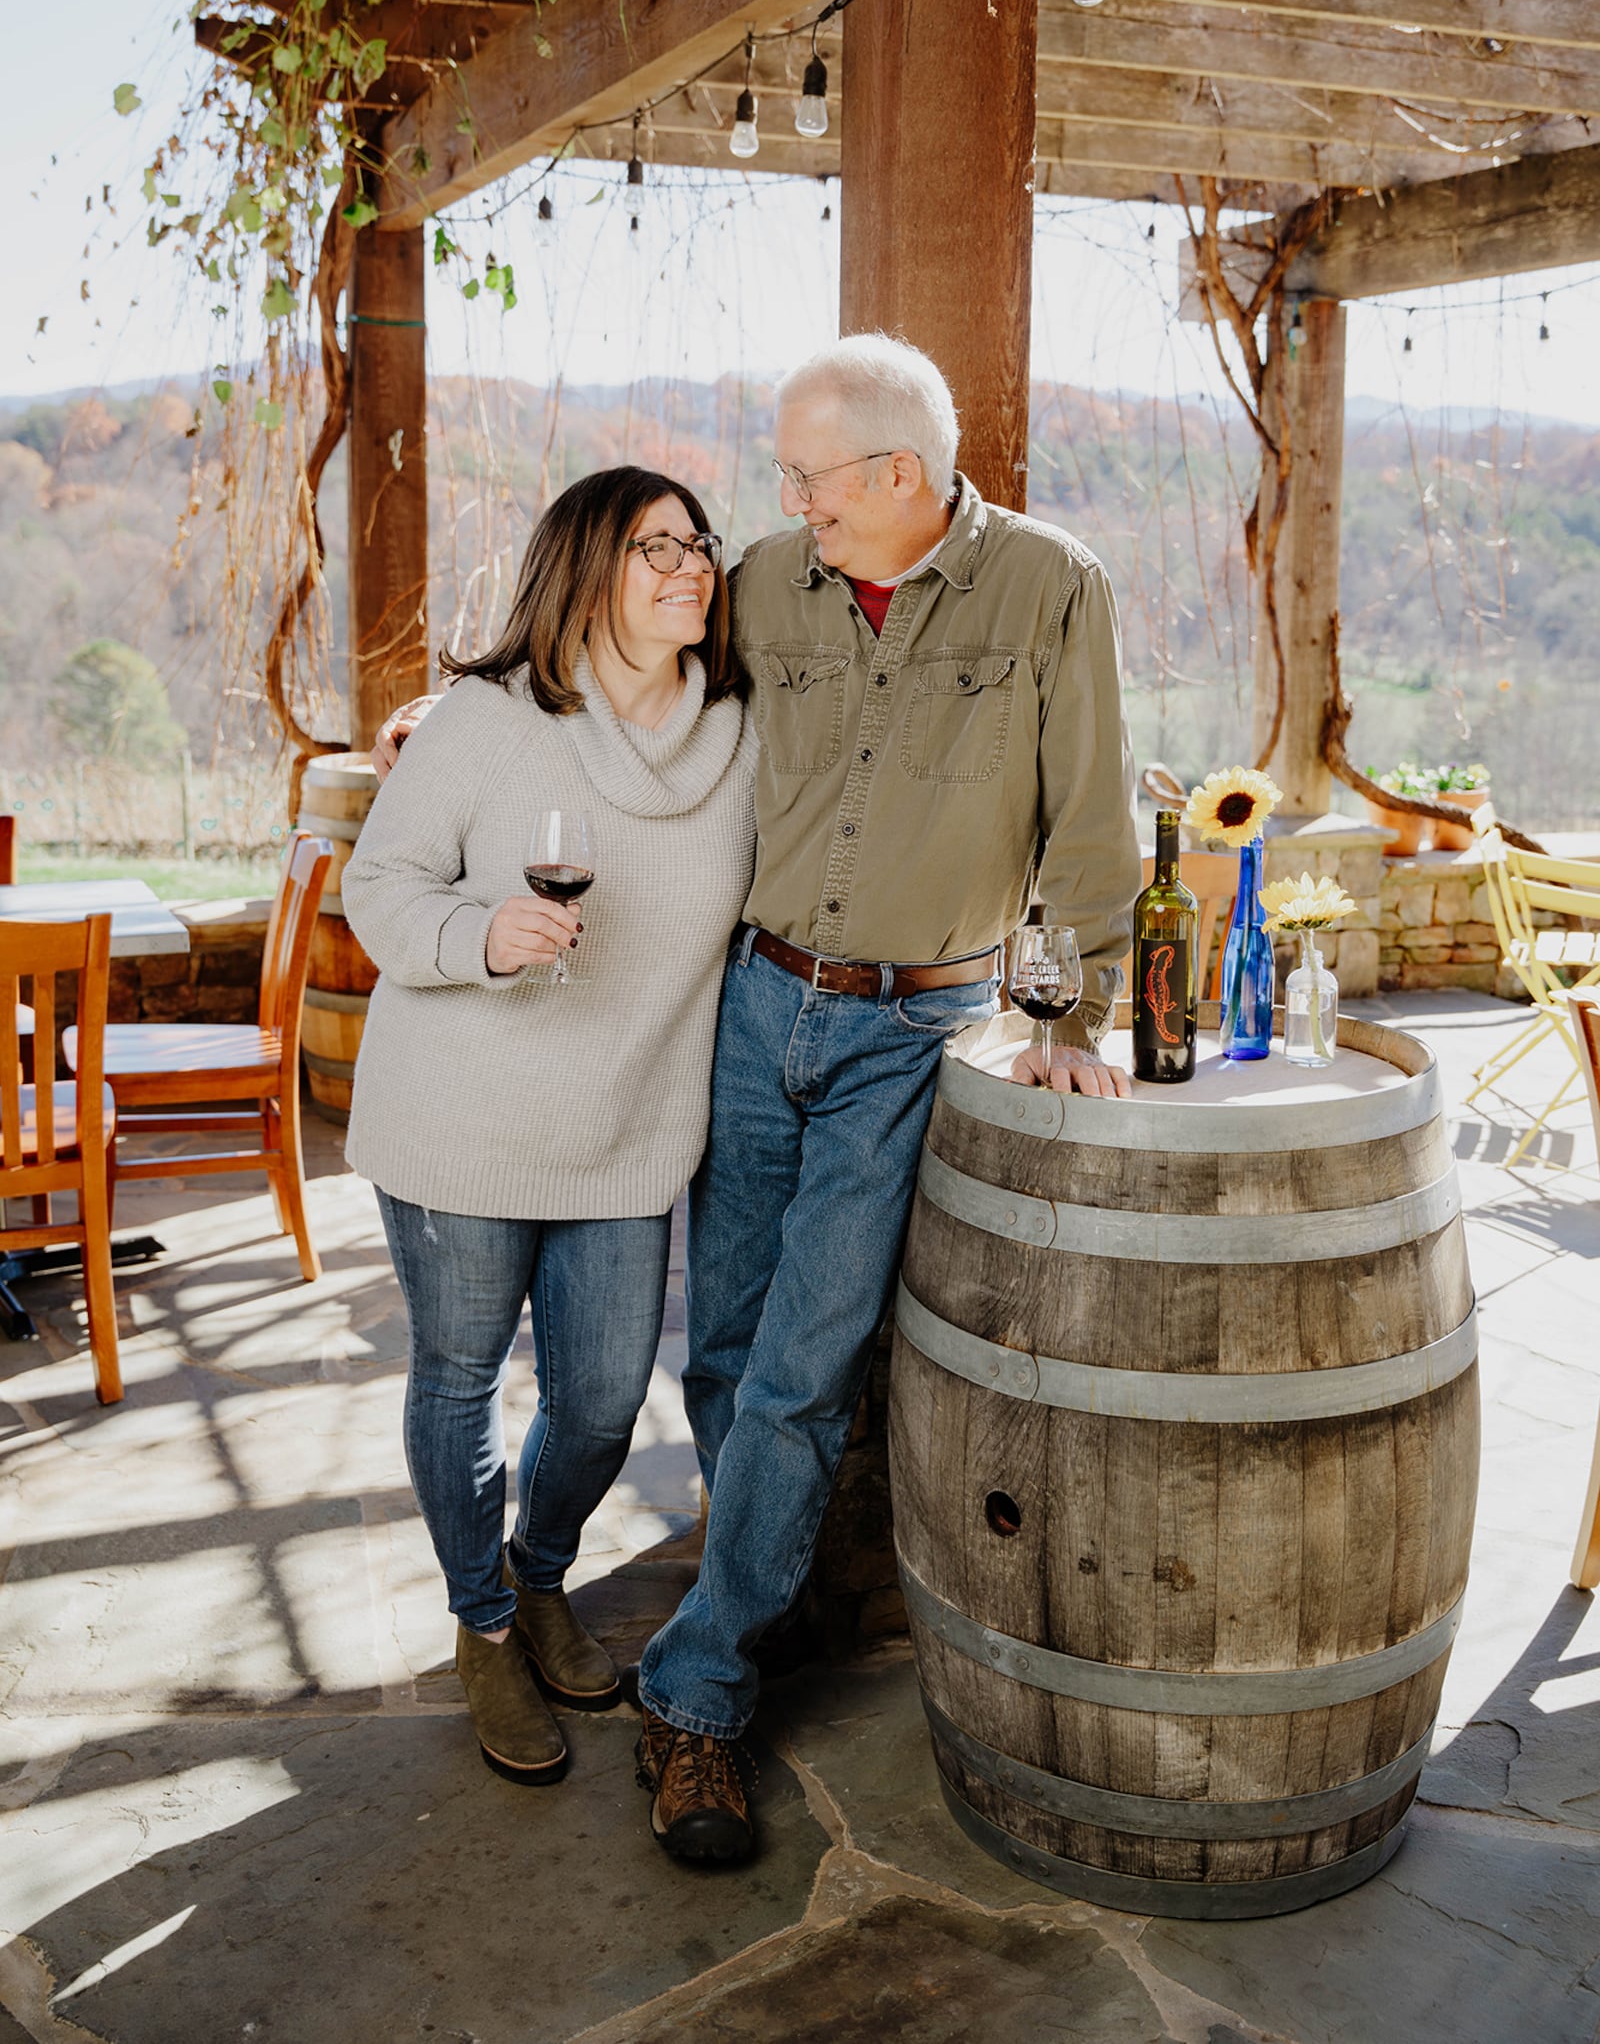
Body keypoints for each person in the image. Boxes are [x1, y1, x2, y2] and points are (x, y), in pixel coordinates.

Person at [375, 335, 1140, 1862]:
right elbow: (601, 675)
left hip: (912, 1029)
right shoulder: (775, 586)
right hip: (750, 1007)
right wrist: (458, 730)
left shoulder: (1051, 586)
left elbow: (1091, 820)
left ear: (899, 476)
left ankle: (704, 1687)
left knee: (799, 1362)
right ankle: (734, 1583)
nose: (773, 509)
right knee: (718, 1351)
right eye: (778, 482)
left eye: (803, 478)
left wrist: (1064, 1007)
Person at [342, 466, 755, 1789]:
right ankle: (479, 1626)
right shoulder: (485, 718)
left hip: (629, 1126)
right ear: (584, 567)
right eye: (655, 548)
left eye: (700, 544)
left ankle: (537, 1577)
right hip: (460, 1115)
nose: (690, 565)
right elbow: (380, 885)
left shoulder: (742, 734)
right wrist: (479, 934)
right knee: (459, 1381)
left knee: (596, 1398)